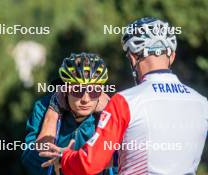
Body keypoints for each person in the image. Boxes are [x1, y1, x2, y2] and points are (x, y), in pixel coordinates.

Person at [39, 17, 208, 175]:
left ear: (133, 57)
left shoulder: (125, 101)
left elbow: (90, 163)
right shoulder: (202, 103)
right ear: (172, 56)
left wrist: (65, 158)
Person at [22, 53, 115, 175]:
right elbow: (31, 163)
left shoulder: (113, 110)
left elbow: (123, 162)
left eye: (94, 91)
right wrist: (52, 113)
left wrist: (110, 115)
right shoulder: (43, 107)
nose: (85, 99)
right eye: (77, 90)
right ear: (65, 90)